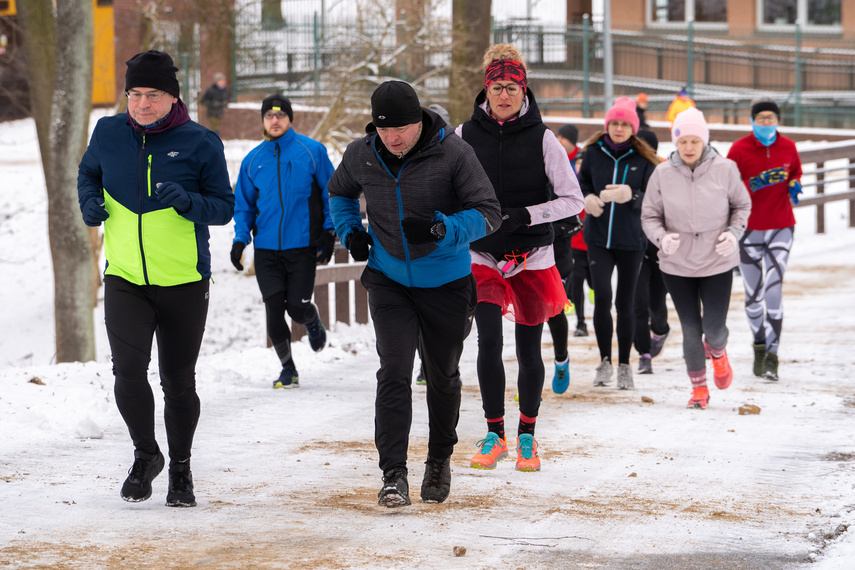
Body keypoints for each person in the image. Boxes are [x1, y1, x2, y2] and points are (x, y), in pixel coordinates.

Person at [328, 80, 501, 508]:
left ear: (419, 120)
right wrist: (351, 231)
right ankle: (393, 474)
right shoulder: (362, 153)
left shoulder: (453, 152)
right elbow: (340, 191)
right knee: (395, 370)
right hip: (389, 279)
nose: (394, 137)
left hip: (445, 280)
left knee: (441, 374)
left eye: (402, 127)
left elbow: (489, 212)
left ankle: (439, 460)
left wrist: (445, 229)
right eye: (386, 130)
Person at [77, 50, 235, 506]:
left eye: (153, 95)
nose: (142, 104)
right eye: (135, 94)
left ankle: (181, 469)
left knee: (177, 380)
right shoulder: (108, 132)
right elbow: (88, 174)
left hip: (184, 280)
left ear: (172, 96)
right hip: (125, 276)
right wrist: (89, 202)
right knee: (127, 371)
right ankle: (146, 454)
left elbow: (223, 208)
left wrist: (188, 201)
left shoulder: (200, 142)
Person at [458, 44, 584, 472]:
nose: (504, 94)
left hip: (531, 254)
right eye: (496, 86)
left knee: (529, 348)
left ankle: (527, 436)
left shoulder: (543, 138)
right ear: (486, 88)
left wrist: (526, 215)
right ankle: (495, 433)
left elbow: (573, 200)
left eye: (512, 86)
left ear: (523, 89)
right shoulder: (464, 135)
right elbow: (449, 187)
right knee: (488, 339)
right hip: (484, 254)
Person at [641, 107, 751, 409]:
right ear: (675, 143)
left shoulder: (725, 168)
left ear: (704, 141)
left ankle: (718, 351)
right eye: (682, 141)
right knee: (691, 328)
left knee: (714, 328)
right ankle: (699, 389)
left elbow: (742, 206)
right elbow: (649, 214)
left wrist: (733, 233)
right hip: (677, 264)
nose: (688, 147)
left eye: (694, 141)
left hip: (717, 259)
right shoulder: (663, 173)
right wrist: (662, 238)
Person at [230, 94, 335, 389]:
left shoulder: (312, 151)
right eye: (269, 116)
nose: (274, 120)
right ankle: (288, 369)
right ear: (263, 121)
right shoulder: (253, 161)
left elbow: (332, 194)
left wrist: (329, 232)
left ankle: (310, 317)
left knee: (296, 308)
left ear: (290, 119)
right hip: (266, 251)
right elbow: (244, 206)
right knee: (274, 308)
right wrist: (240, 241)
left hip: (302, 246)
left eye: (280, 115)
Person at [578, 96, 660, 390]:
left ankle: (624, 364)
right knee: (601, 298)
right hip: (599, 237)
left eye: (625, 124)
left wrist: (632, 195)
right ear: (607, 125)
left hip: (631, 240)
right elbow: (582, 182)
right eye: (614, 123)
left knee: (624, 304)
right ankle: (604, 362)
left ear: (633, 128)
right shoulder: (593, 152)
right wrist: (587, 198)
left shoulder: (644, 158)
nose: (619, 128)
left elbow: (654, 198)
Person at [727, 97, 802, 381]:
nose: (767, 122)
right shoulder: (739, 149)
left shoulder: (789, 147)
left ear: (778, 120)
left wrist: (794, 184)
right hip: (748, 229)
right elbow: (727, 188)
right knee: (753, 295)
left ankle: (772, 354)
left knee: (773, 288)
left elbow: (795, 172)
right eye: (761, 118)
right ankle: (759, 342)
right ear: (753, 121)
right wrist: (755, 183)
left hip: (781, 225)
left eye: (771, 117)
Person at [547, 122, 584, 393]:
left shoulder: (560, 176)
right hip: (521, 256)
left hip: (557, 257)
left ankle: (561, 359)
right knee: (527, 322)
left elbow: (575, 221)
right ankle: (529, 384)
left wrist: (544, 227)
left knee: (553, 312)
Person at [632, 129, 671, 374]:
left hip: (661, 246)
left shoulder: (665, 170)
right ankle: (643, 354)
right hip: (634, 244)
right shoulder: (628, 167)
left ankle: (661, 330)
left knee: (657, 302)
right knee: (638, 303)